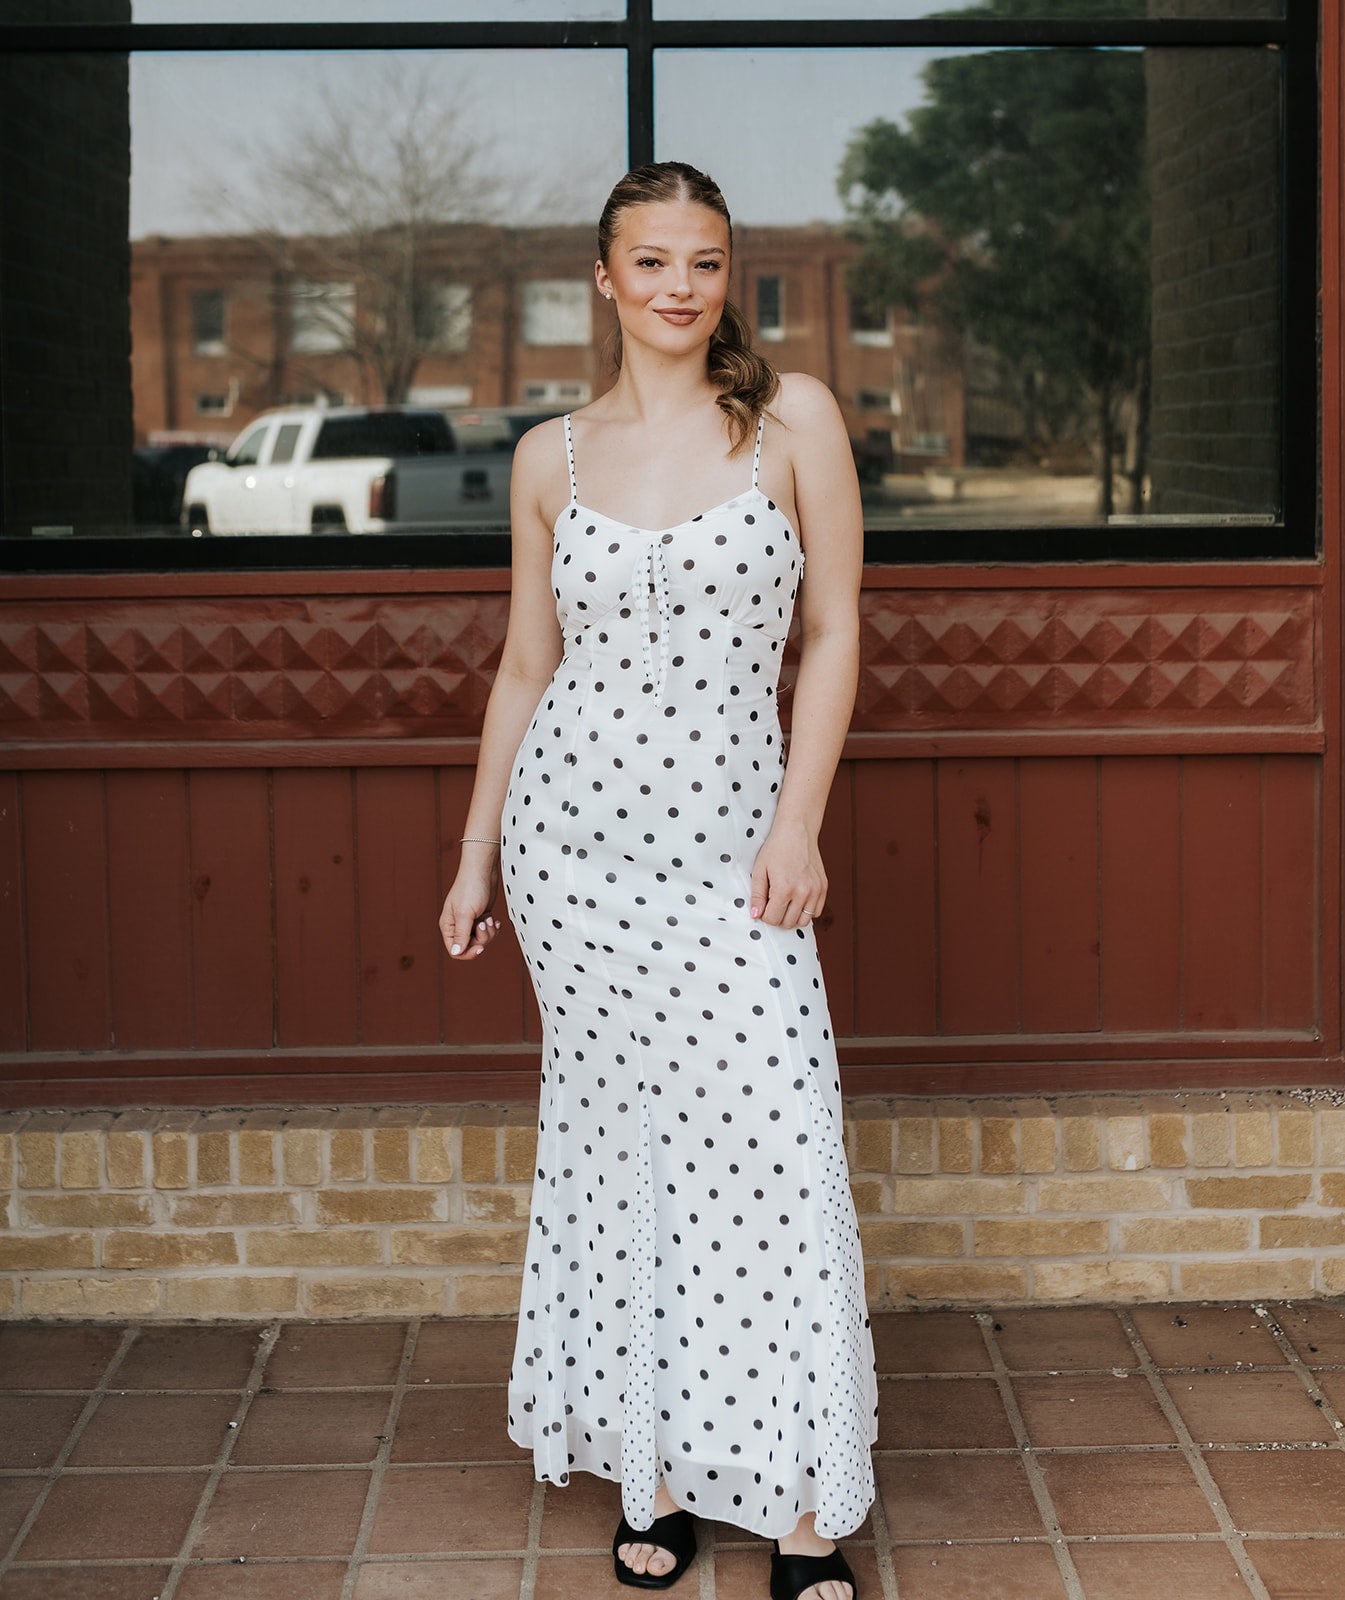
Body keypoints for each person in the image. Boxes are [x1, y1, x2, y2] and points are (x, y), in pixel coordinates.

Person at [439, 160, 877, 1600]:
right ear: (605, 281)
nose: (680, 286)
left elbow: (832, 632)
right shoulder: (548, 459)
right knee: (623, 1154)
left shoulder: (791, 419)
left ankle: (807, 1509)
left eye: (704, 261)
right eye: (653, 261)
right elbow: (522, 666)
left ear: (724, 276)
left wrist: (798, 823)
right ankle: (660, 1468)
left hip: (733, 848)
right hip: (577, 860)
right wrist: (478, 852)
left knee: (768, 1138)